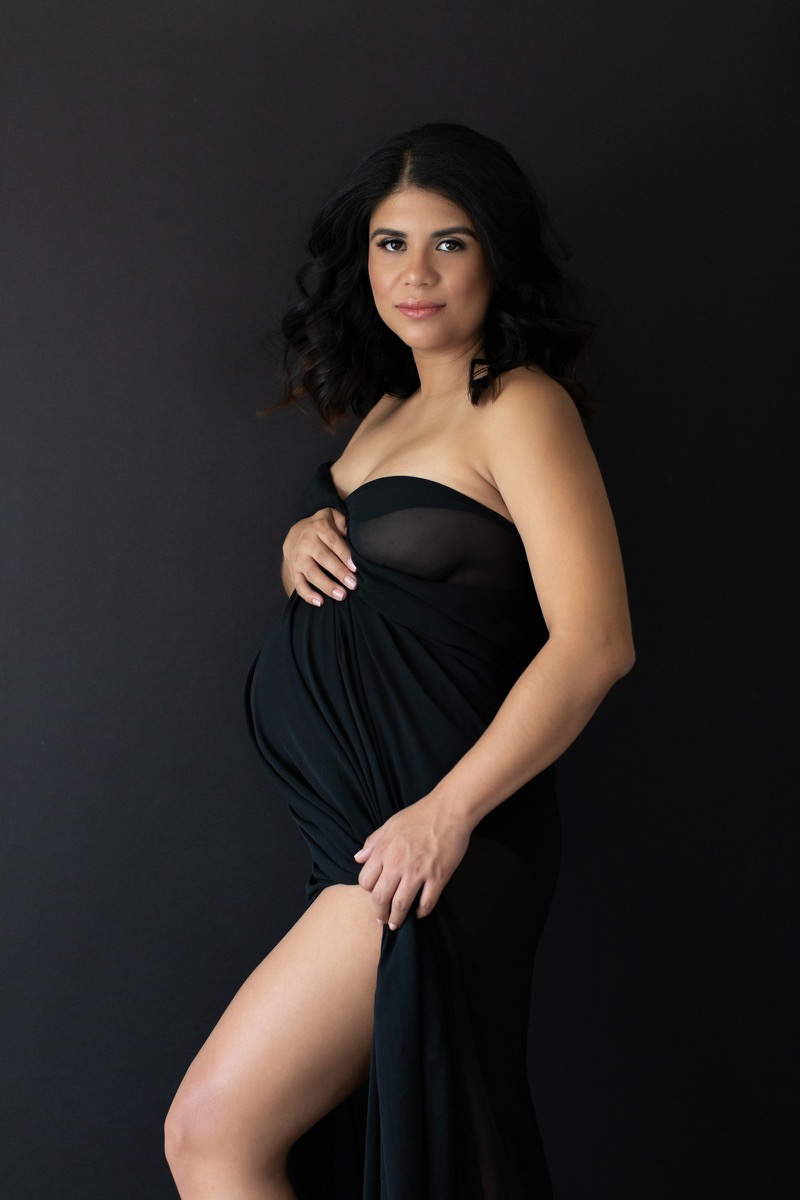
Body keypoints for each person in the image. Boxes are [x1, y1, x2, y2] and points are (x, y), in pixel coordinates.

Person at [164, 121, 635, 1200]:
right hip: (367, 835)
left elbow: (596, 643)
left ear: (495, 255)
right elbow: (392, 576)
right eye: (390, 243)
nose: (413, 273)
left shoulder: (518, 404)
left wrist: (444, 815)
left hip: (441, 837)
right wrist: (302, 537)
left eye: (447, 242)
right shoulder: (382, 413)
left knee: (212, 1133)